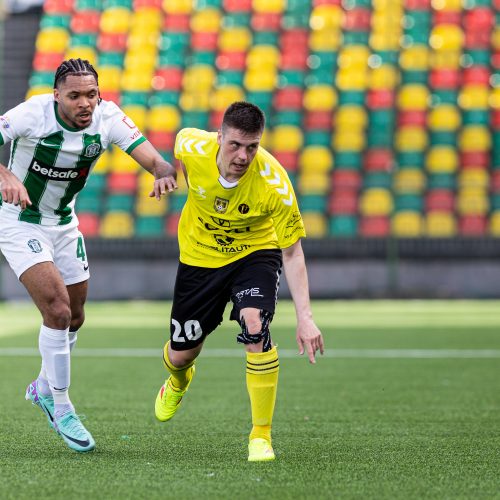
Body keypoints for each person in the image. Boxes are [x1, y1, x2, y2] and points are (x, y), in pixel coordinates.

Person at [0, 58, 177, 452]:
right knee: (58, 311)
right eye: (75, 95)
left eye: (91, 94)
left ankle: (43, 386)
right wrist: (4, 174)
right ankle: (61, 405)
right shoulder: (33, 113)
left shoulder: (107, 117)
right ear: (56, 95)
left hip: (64, 224)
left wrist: (163, 171)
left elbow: (152, 157)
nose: (85, 103)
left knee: (76, 316)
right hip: (19, 221)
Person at [154, 101, 324, 462]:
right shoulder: (191, 146)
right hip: (199, 257)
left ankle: (260, 436)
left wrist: (305, 317)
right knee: (181, 353)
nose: (243, 156)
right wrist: (162, 174)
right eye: (235, 145)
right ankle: (179, 381)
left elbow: (293, 253)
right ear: (219, 138)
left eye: (252, 146)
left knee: (255, 325)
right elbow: (174, 151)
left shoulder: (274, 183)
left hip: (254, 253)